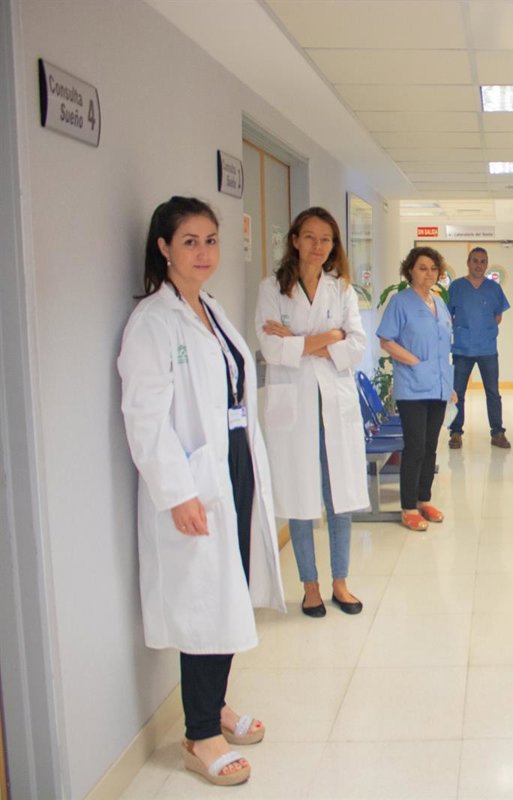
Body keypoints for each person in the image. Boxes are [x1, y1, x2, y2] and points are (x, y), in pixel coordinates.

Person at [118, 196, 286, 787]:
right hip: (195, 480)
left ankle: (215, 706)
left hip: (233, 464)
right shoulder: (154, 321)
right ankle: (199, 734)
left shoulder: (210, 309)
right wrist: (178, 492)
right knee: (203, 601)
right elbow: (144, 418)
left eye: (211, 240)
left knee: (228, 590)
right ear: (163, 247)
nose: (203, 252)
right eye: (189, 241)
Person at [256, 207, 368, 618]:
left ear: (333, 245)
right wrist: (329, 337)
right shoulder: (272, 288)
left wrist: (300, 341)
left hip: (333, 404)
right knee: (300, 494)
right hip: (295, 406)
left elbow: (356, 346)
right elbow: (272, 349)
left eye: (326, 239)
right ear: (295, 240)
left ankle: (340, 582)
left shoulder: (342, 290)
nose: (317, 246)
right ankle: (310, 586)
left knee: (340, 496)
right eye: (310, 236)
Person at [377, 247, 455, 532]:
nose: (428, 273)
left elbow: (444, 345)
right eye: (422, 268)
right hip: (412, 386)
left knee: (431, 446)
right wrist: (415, 362)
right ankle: (408, 507)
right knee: (415, 447)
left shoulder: (439, 302)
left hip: (438, 386)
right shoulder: (400, 302)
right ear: (410, 270)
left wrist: (449, 385)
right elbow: (386, 340)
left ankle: (424, 499)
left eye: (433, 268)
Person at [446, 247, 511, 450]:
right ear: (468, 262)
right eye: (475, 260)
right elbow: (448, 315)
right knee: (458, 392)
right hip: (462, 348)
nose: (479, 265)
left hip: (487, 348)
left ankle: (497, 432)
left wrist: (484, 330)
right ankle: (456, 433)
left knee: (493, 392)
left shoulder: (494, 288)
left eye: (483, 261)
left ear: (487, 264)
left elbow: (498, 316)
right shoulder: (456, 287)